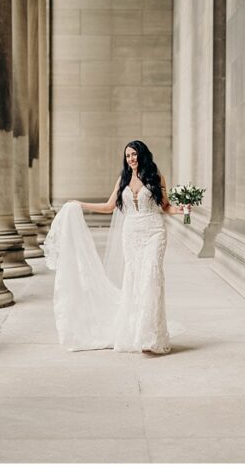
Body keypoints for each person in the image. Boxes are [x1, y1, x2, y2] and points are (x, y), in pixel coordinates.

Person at [45, 140, 186, 354]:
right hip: (131, 233)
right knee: (134, 279)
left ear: (143, 155)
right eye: (128, 155)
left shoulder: (156, 177)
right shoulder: (123, 179)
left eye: (135, 154)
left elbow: (165, 207)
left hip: (154, 231)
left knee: (152, 276)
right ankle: (135, 333)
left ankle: (151, 335)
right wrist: (79, 204)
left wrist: (184, 210)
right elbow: (109, 206)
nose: (131, 158)